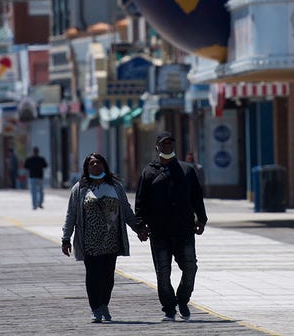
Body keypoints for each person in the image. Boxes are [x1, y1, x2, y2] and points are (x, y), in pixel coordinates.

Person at [61, 152, 145, 324]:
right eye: (91, 163)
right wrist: (66, 238)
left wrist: (138, 229)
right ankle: (95, 309)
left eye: (98, 162)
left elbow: (127, 211)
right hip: (89, 241)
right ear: (86, 167)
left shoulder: (116, 186)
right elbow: (71, 214)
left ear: (104, 165)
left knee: (108, 276)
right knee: (93, 274)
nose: (95, 165)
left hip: (111, 240)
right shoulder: (80, 188)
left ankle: (104, 304)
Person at [134, 132, 208, 322]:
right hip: (159, 232)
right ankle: (169, 307)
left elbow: (196, 197)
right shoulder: (148, 172)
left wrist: (202, 219)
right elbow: (140, 202)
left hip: (184, 230)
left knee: (190, 267)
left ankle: (183, 300)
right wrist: (140, 225)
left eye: (170, 143)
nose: (167, 146)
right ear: (157, 147)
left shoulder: (186, 170)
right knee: (163, 273)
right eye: (163, 143)